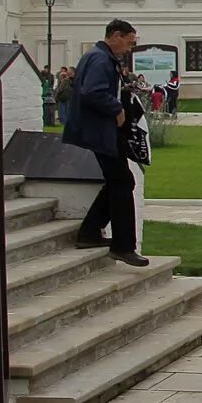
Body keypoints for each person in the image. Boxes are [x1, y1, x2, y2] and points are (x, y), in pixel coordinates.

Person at [66, 19, 149, 267]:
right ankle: (123, 246)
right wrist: (116, 108)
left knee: (120, 180)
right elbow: (92, 92)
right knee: (122, 181)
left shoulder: (99, 57)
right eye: (128, 41)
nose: (128, 48)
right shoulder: (101, 59)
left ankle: (90, 232)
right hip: (100, 132)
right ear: (115, 35)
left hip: (102, 131)